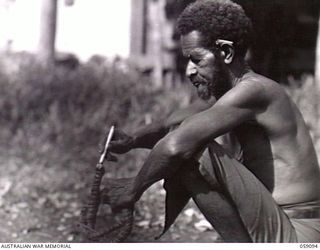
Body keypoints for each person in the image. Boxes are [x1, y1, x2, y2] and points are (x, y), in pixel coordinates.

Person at [101, 0, 320, 242]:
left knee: (191, 149)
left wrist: (132, 189)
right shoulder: (230, 97)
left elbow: (175, 145)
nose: (189, 71)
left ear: (225, 53)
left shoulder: (255, 91)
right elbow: (168, 124)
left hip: (299, 232)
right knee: (184, 134)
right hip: (276, 219)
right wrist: (131, 140)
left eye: (196, 59)